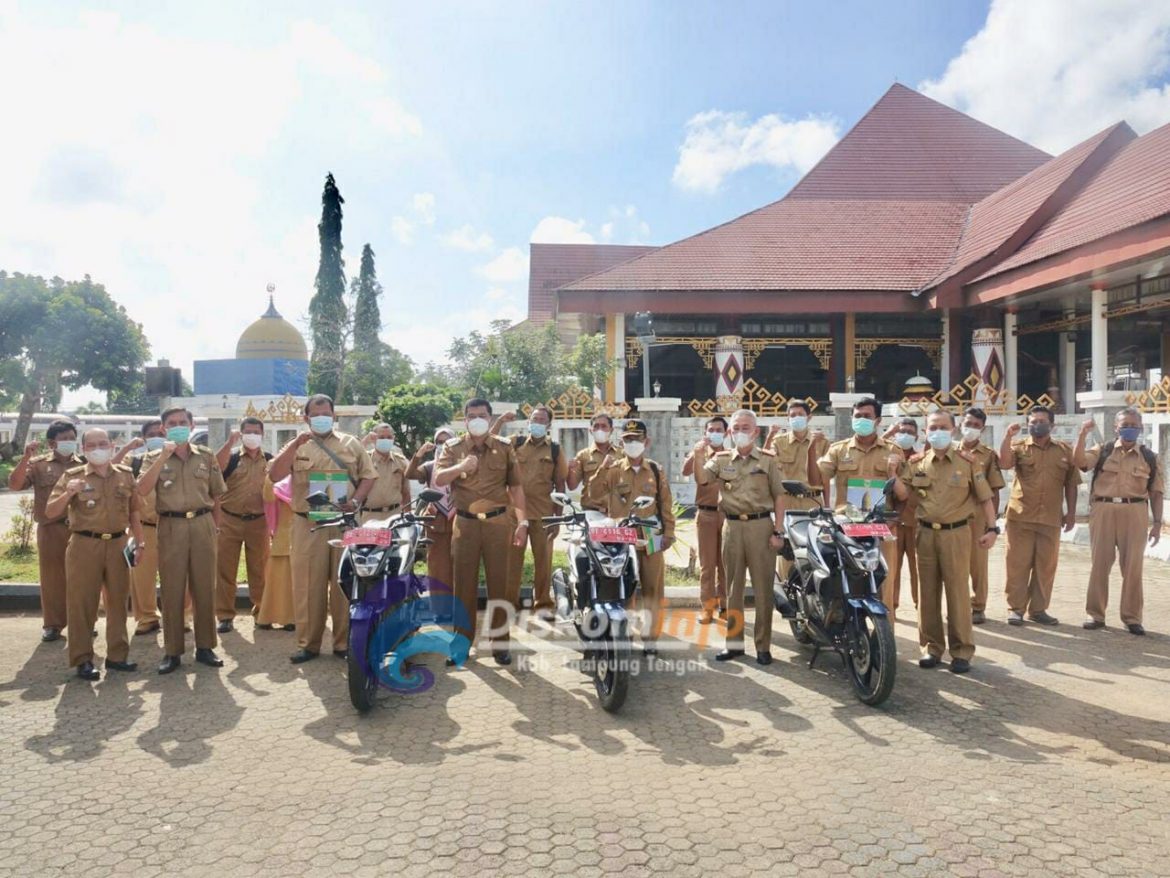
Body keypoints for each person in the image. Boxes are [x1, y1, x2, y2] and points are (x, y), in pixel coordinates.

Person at [269, 394, 377, 664]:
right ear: (306, 418)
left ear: (334, 415)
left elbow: (368, 476)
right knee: (308, 585)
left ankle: (343, 643)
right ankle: (308, 644)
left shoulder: (351, 444)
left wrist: (355, 501)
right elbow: (273, 475)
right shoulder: (296, 447)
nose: (322, 417)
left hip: (344, 524)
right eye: (316, 414)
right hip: (308, 524)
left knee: (344, 585)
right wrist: (294, 443)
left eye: (326, 413)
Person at [892, 411, 998, 674]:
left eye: (942, 427)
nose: (937, 431)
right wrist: (892, 474)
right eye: (932, 427)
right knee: (927, 593)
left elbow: (985, 497)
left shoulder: (968, 461)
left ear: (953, 430)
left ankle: (961, 651)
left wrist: (993, 528)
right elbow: (904, 493)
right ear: (925, 432)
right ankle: (931, 648)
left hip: (957, 534)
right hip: (925, 533)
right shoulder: (917, 462)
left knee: (958, 593)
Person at [45, 429, 145, 680]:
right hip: (84, 545)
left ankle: (117, 656)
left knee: (119, 601)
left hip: (118, 543)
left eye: (103, 443)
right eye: (92, 445)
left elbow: (134, 512)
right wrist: (69, 492)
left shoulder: (125, 475)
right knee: (82, 604)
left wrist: (140, 542)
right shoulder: (73, 476)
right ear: (84, 449)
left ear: (112, 446)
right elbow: (50, 511)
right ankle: (82, 659)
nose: (98, 448)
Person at [435, 398, 528, 665]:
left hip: (499, 523)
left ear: (489, 418)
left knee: (500, 584)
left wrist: (522, 523)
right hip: (465, 524)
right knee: (463, 586)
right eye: (472, 415)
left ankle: (500, 644)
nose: (477, 419)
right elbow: (440, 478)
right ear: (464, 420)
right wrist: (460, 467)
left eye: (482, 415)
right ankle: (461, 645)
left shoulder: (504, 447)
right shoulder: (453, 448)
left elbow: (517, 488)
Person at [137, 407, 227, 674]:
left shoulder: (206, 455)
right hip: (170, 526)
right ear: (163, 429)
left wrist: (216, 528)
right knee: (172, 590)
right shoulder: (152, 457)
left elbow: (217, 495)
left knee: (204, 588)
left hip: (202, 523)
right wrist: (163, 456)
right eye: (172, 423)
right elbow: (141, 489)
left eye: (182, 422)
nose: (178, 426)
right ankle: (172, 651)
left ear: (191, 425)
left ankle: (206, 647)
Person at [695, 409, 785, 665]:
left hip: (761, 527)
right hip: (732, 527)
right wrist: (700, 454)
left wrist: (778, 531)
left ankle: (763, 647)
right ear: (729, 432)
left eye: (746, 428)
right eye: (735, 428)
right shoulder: (722, 459)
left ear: (756, 432)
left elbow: (779, 495)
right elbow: (703, 480)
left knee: (762, 590)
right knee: (733, 589)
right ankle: (734, 645)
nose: (740, 432)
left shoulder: (767, 460)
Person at [1073, 409, 1164, 635]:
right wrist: (1083, 434)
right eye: (1125, 424)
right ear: (1116, 427)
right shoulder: (1102, 450)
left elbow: (1156, 493)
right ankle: (1095, 614)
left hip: (1135, 512)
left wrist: (1157, 524)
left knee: (1133, 568)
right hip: (1103, 510)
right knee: (1100, 565)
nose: (1129, 428)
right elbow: (1080, 462)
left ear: (1141, 428)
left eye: (1134, 424)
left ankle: (1132, 617)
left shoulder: (1149, 457)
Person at [597, 419, 675, 654]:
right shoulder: (612, 470)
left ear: (646, 441)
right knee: (624, 587)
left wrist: (669, 533)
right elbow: (592, 494)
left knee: (653, 588)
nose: (633, 443)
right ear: (621, 442)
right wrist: (601, 469)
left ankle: (650, 639)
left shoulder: (655, 470)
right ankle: (625, 635)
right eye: (628, 439)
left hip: (650, 534)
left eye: (637, 439)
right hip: (621, 535)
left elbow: (666, 505)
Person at [998, 405, 1079, 626]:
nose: (1036, 425)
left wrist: (1071, 513)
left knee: (1045, 566)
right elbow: (1004, 463)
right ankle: (1015, 609)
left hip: (1051, 518)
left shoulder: (1064, 451)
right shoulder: (1019, 447)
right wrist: (1007, 437)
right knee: (1017, 564)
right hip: (1020, 516)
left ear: (1052, 425)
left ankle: (1039, 610)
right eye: (1032, 422)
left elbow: (1071, 484)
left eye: (1041, 421)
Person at [7, 420, 82, 641]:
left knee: (83, 577)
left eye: (71, 437)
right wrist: (25, 458)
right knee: (52, 578)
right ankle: (53, 624)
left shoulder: (84, 463)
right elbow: (14, 484)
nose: (69, 442)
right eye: (63, 438)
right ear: (52, 443)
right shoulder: (38, 465)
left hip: (81, 529)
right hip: (51, 529)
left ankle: (83, 620)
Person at [817, 398, 901, 577]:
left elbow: (904, 494)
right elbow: (817, 478)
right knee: (846, 578)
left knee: (883, 581)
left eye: (867, 416)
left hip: (881, 527)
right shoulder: (838, 450)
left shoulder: (893, 451)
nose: (861, 420)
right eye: (858, 416)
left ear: (877, 421)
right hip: (847, 526)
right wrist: (812, 451)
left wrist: (894, 521)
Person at [504, 406, 568, 622]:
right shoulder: (516, 443)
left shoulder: (555, 450)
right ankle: (510, 605)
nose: (537, 423)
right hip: (516, 515)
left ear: (548, 425)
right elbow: (492, 443)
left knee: (544, 561)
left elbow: (560, 485)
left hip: (544, 514)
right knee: (512, 562)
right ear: (528, 421)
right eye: (534, 419)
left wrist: (557, 519)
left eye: (541, 420)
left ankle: (543, 604)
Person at [213, 417, 271, 633]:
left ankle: (261, 612)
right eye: (248, 431)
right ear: (242, 433)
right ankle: (225, 615)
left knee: (260, 569)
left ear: (262, 434)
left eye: (256, 432)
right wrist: (229, 443)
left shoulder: (270, 460)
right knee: (225, 569)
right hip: (230, 520)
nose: (252, 435)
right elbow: (215, 468)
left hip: (259, 522)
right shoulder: (233, 457)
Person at [766, 402, 830, 586]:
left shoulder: (822, 442)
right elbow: (767, 461)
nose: (796, 418)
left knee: (814, 546)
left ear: (809, 417)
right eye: (792, 414)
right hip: (787, 502)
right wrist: (770, 435)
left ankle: (812, 589)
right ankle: (787, 590)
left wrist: (826, 506)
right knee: (786, 549)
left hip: (812, 501)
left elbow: (825, 479)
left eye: (800, 414)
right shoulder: (780, 441)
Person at [113, 420, 165, 635]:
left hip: (175, 525)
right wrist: (126, 448)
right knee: (142, 576)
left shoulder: (181, 459)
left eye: (160, 433)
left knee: (180, 574)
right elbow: (111, 469)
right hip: (145, 527)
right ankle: (147, 617)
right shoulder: (134, 462)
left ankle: (182, 617)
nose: (156, 437)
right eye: (151, 434)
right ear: (144, 439)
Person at [958, 408, 1005, 625]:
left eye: (976, 426)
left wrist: (991, 523)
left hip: (977, 515)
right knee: (955, 562)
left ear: (982, 429)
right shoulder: (948, 451)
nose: (971, 428)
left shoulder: (988, 455)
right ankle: (958, 604)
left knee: (978, 564)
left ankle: (978, 606)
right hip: (954, 513)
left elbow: (994, 491)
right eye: (968, 423)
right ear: (960, 423)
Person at [681, 417, 729, 624]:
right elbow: (684, 471)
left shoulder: (731, 456)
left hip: (728, 514)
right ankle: (707, 608)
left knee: (725, 563)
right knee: (707, 565)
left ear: (726, 434)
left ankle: (726, 605)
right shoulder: (699, 453)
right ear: (706, 433)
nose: (715, 433)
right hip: (706, 514)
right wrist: (695, 454)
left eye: (719, 430)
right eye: (711, 429)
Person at [405, 427, 456, 588]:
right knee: (437, 567)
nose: (443, 445)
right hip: (436, 521)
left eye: (447, 441)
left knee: (461, 567)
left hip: (459, 521)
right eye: (439, 442)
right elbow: (410, 474)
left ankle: (459, 607)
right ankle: (440, 609)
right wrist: (418, 455)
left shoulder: (462, 464)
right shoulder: (430, 467)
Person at [882, 416, 920, 617]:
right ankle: (891, 607)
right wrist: (888, 433)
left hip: (915, 521)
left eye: (909, 432)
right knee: (891, 569)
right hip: (892, 522)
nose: (905, 435)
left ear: (917, 436)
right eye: (901, 431)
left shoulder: (921, 458)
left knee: (919, 571)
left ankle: (921, 607)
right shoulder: (888, 455)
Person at [256, 476, 296, 631]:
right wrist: (272, 476)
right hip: (284, 536)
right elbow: (268, 495)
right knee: (277, 580)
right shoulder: (277, 476)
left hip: (305, 536)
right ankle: (268, 617)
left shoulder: (310, 473)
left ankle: (293, 619)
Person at [567, 413, 623, 512]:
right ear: (591, 430)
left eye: (604, 426)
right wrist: (570, 470)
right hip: (590, 511)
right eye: (596, 426)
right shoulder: (583, 455)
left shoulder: (622, 454)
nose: (600, 430)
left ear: (611, 430)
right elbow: (572, 486)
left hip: (616, 511)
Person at [360, 424, 412, 524]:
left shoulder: (401, 461)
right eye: (381, 437)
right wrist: (365, 441)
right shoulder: (365, 459)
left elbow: (406, 493)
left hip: (394, 515)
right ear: (374, 438)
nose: (385, 440)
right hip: (369, 516)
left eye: (389, 437)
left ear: (393, 438)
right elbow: (351, 457)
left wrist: (408, 517)